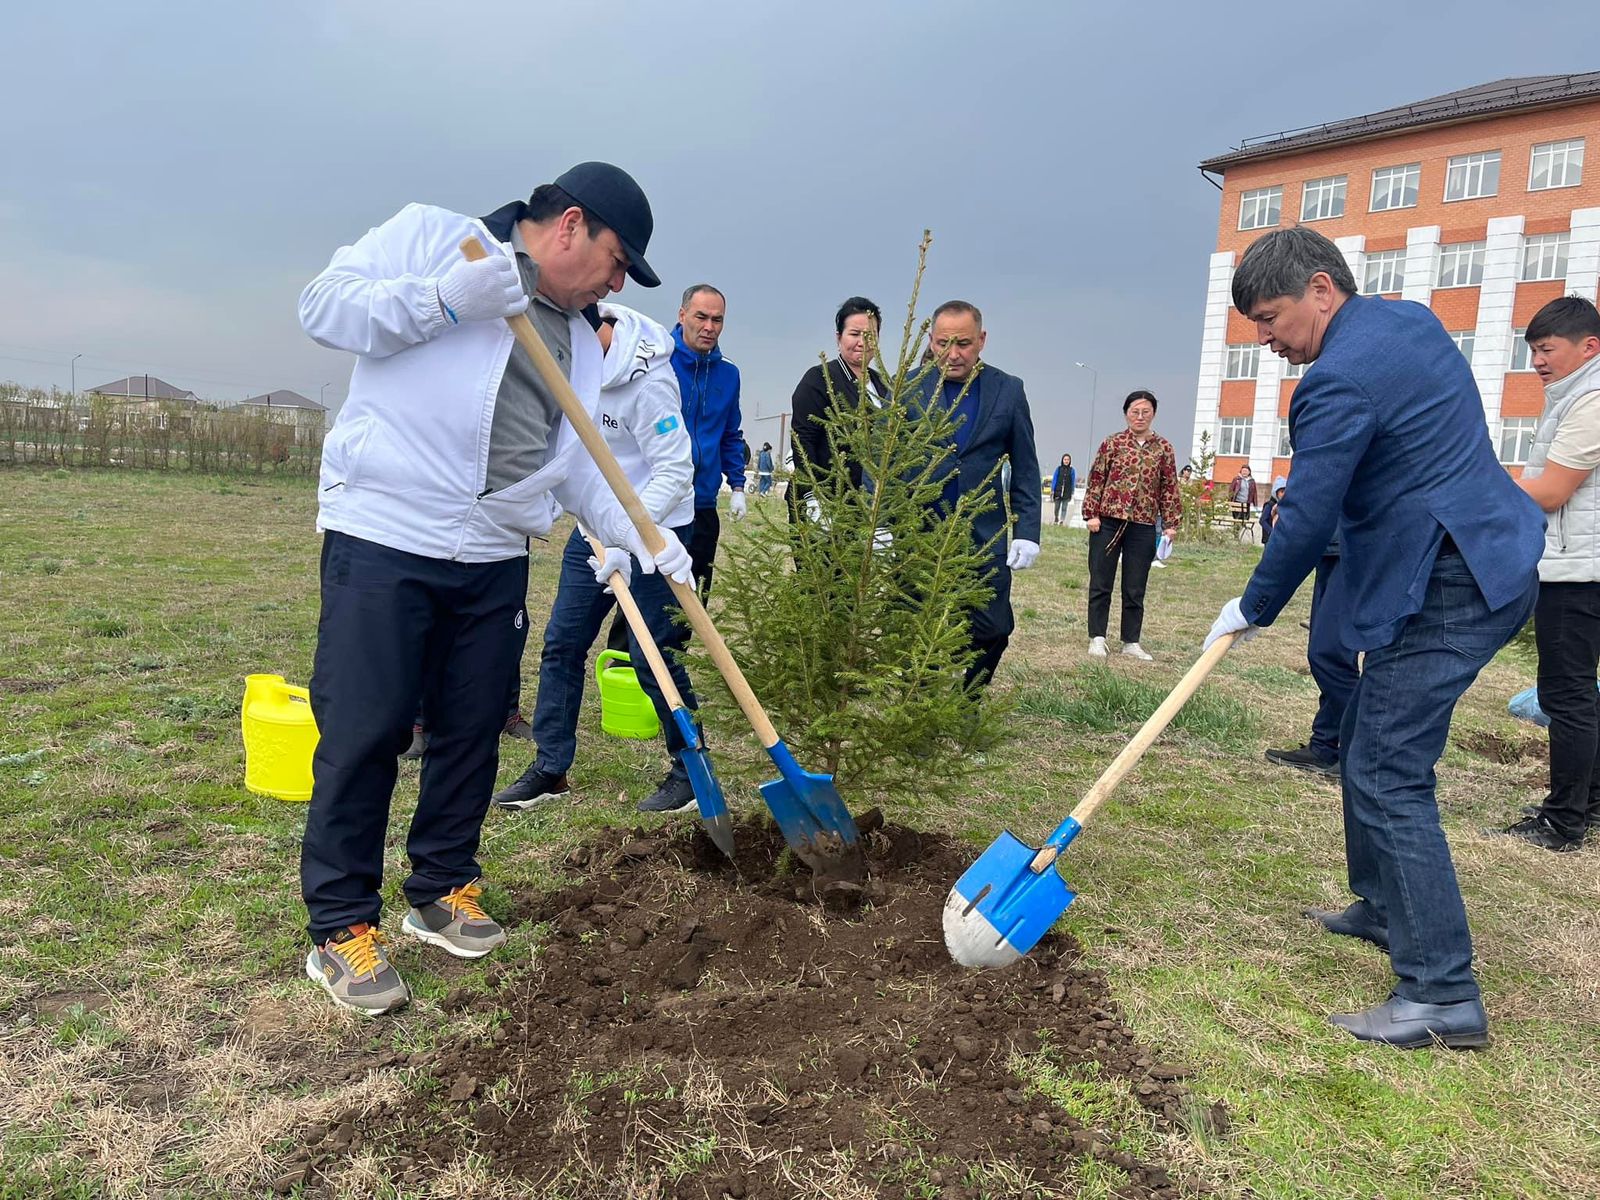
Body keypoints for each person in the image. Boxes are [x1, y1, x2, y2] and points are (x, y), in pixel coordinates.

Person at [294, 164, 693, 1016]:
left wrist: (651, 541)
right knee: (366, 728)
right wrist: (443, 301)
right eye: (618, 261)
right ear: (570, 226)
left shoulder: (584, 339)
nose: (618, 284)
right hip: (387, 529)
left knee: (472, 727)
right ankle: (338, 927)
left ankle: (442, 888)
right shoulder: (438, 237)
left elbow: (579, 467)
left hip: (494, 548)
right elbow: (323, 306)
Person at [1203, 226, 1542, 1049]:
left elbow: (1309, 511)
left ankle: (1441, 993)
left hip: (1453, 579)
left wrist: (1253, 605)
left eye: (1273, 318)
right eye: (1254, 323)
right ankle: (1386, 907)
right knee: (1363, 737)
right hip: (1468, 556)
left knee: (1390, 768)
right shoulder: (1411, 322)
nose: (1268, 339)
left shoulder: (1338, 380)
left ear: (1324, 289)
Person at [492, 302, 702, 817]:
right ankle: (550, 767)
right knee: (562, 643)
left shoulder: (647, 378)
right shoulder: (566, 365)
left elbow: (676, 469)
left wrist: (633, 536)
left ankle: (690, 770)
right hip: (594, 529)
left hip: (658, 532)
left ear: (597, 326)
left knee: (655, 655)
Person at [1490, 296, 1600, 851]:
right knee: (1583, 692)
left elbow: (1554, 490)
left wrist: (1477, 486)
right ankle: (1589, 802)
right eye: (1532, 349)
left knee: (1568, 692)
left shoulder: (1590, 399)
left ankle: (1562, 822)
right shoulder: (1572, 397)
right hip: (1579, 563)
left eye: (1547, 349)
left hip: (1578, 572)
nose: (1536, 360)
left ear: (1589, 347)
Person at [911, 300, 1041, 688]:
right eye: (943, 343)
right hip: (921, 534)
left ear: (981, 340)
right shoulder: (909, 390)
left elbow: (1026, 466)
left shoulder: (1008, 391)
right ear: (931, 342)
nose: (953, 354)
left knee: (994, 627)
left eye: (964, 343)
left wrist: (1027, 531)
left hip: (983, 537)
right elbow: (882, 460)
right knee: (921, 629)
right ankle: (922, 708)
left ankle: (969, 700)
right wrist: (880, 523)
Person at [1080, 391, 1182, 660]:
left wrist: (1171, 523)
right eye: (1135, 411)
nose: (1140, 416)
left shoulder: (1164, 448)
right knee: (1101, 582)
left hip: (1143, 524)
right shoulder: (1112, 444)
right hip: (1108, 522)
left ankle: (1131, 641)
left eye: (1145, 412)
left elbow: (1169, 487)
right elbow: (1096, 479)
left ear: (1153, 414)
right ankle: (1097, 637)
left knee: (1135, 586)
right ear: (1126, 413)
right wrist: (1091, 514)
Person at [1263, 524, 1356, 781]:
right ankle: (1324, 745)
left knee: (1329, 655)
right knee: (1330, 653)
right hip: (1330, 545)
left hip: (1357, 546)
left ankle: (1362, 751)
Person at [790, 296, 889, 522]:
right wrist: (812, 495)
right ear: (839, 337)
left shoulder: (883, 385)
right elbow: (802, 440)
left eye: (870, 336)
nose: (862, 342)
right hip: (827, 503)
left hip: (868, 507)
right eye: (854, 334)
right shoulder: (820, 379)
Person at [675, 284, 745, 600]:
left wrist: (739, 486)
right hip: (660, 504)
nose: (709, 327)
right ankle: (632, 652)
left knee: (694, 597)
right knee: (645, 602)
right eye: (701, 317)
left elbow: (731, 434)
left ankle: (680, 651)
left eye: (717, 320)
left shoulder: (728, 374)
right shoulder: (659, 360)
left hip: (703, 504)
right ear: (682, 315)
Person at [1229, 464, 1259, 533]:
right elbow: (1231, 490)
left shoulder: (1252, 481)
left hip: (1246, 503)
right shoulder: (1237, 479)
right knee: (1237, 519)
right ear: (1241, 471)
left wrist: (1255, 504)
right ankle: (1236, 533)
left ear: (1249, 472)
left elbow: (1254, 493)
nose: (1244, 472)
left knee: (1245, 519)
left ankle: (1236, 531)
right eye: (1243, 471)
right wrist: (1230, 501)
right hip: (1237, 503)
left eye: (1246, 471)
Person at [1050, 453, 1076, 525]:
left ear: (1070, 461)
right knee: (1056, 507)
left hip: (1067, 492)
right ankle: (1056, 517)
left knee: (1064, 507)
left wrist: (1072, 491)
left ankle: (1062, 520)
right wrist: (1052, 489)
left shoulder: (1072, 470)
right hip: (1058, 491)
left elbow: (1073, 481)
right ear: (1062, 460)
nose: (1066, 461)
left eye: (1068, 460)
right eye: (1065, 459)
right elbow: (1054, 479)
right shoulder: (1058, 469)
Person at [1258, 478, 1285, 545]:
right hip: (1270, 538)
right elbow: (1262, 520)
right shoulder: (1270, 505)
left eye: (1285, 492)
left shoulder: (1285, 506)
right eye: (1281, 492)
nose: (1284, 494)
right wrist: (1271, 531)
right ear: (1276, 493)